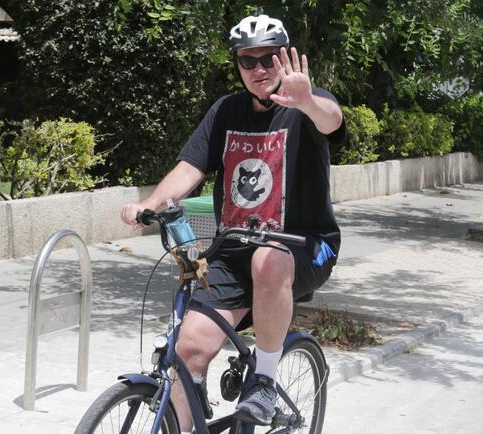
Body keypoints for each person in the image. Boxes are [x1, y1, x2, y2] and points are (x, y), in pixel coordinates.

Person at [121, 14, 345, 432]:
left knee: (269, 259)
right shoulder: (226, 110)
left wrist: (308, 101)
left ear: (284, 59)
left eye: (268, 59)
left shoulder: (306, 104)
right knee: (188, 351)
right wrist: (149, 203)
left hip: (305, 245)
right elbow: (190, 166)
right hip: (234, 245)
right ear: (237, 64)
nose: (259, 69)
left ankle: (263, 378)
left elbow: (331, 120)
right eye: (248, 61)